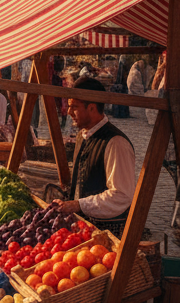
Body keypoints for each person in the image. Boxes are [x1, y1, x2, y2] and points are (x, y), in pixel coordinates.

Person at [50, 78, 136, 236]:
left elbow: (121, 196)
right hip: (84, 229)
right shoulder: (82, 136)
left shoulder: (116, 143)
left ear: (91, 108)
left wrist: (79, 205)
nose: (69, 112)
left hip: (108, 233)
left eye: (74, 107)